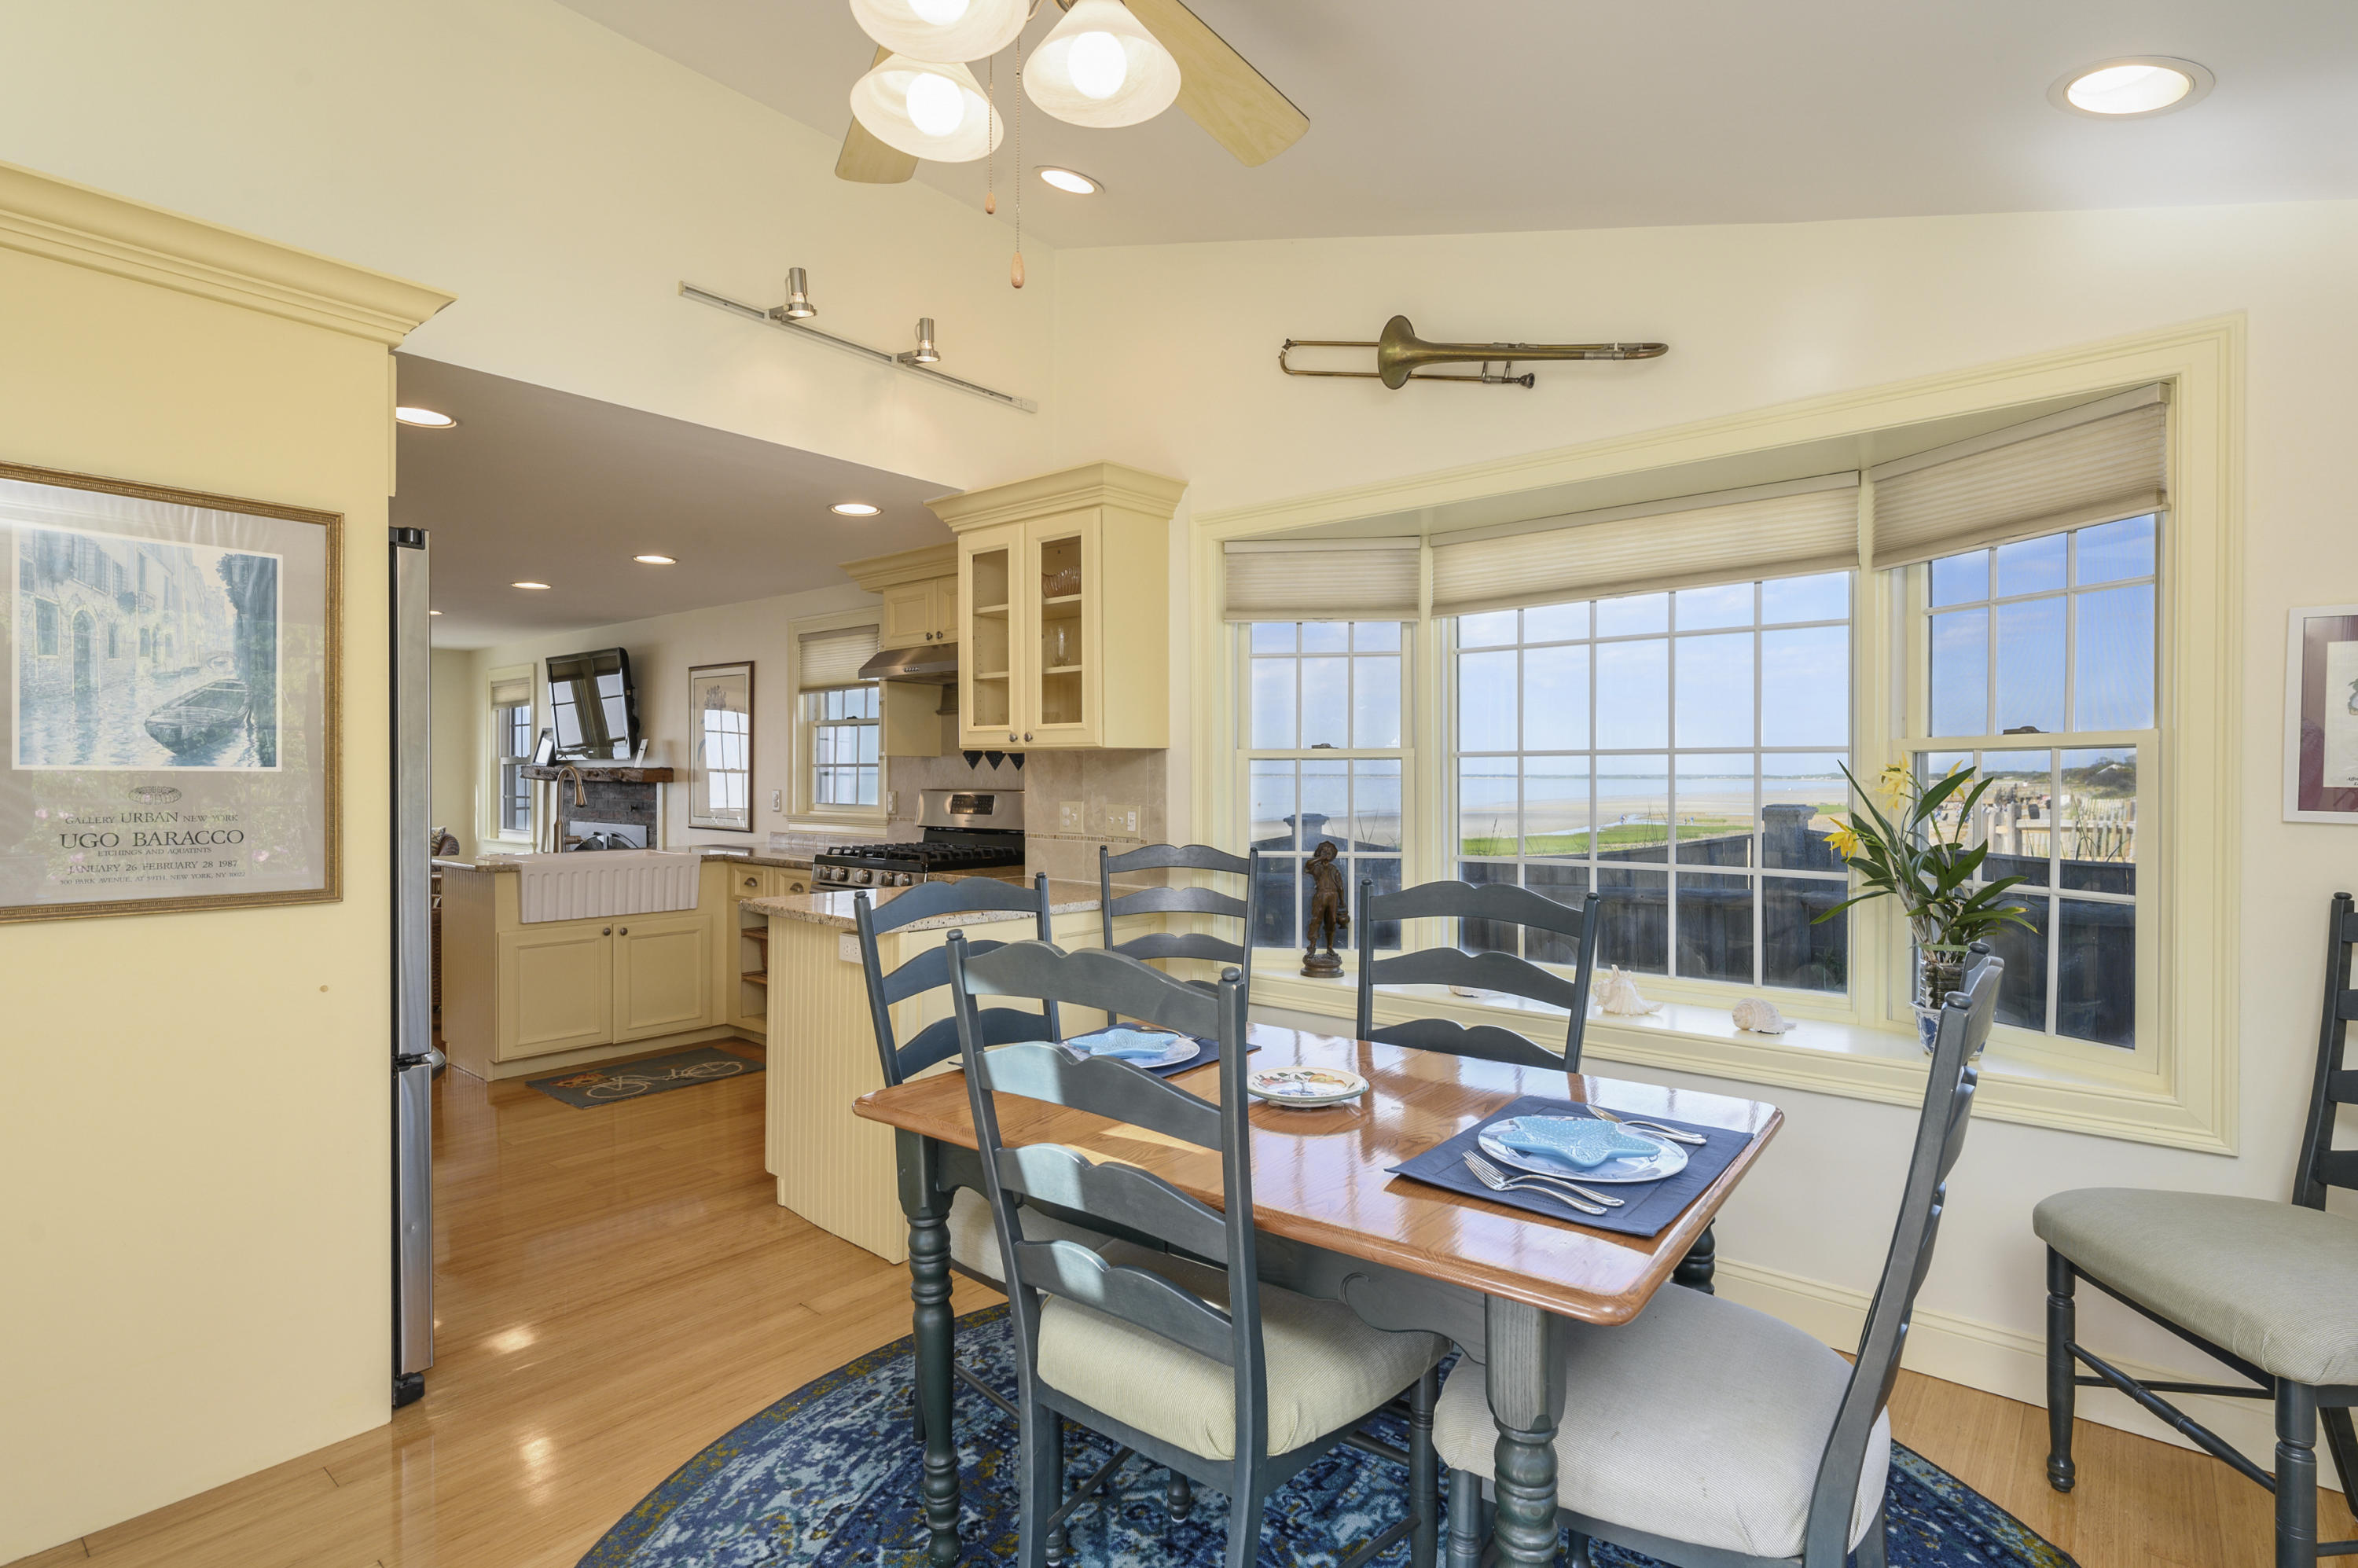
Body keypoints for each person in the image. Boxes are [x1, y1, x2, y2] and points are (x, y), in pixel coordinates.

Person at [1301, 840, 1350, 975]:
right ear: (1319, 853)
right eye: (1324, 851)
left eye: (1329, 852)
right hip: (1321, 895)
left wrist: (1342, 901)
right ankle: (1312, 947)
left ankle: (1330, 947)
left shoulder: (1334, 869)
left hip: (1333, 896)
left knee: (1332, 922)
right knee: (1316, 920)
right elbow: (1308, 865)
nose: (1327, 853)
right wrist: (1320, 858)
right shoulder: (1317, 867)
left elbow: (1340, 886)